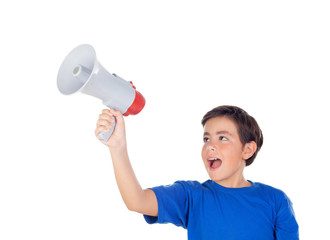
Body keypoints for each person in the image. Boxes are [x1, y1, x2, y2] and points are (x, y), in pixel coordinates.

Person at [95, 105, 299, 239]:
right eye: (206, 139)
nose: (210, 146)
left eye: (223, 138)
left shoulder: (275, 200)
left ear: (247, 149)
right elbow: (137, 201)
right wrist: (118, 148)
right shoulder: (192, 195)